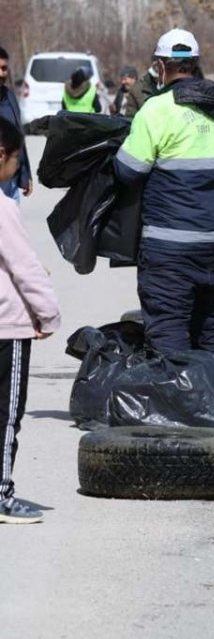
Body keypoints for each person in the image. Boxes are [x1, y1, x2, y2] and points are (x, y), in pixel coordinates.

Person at [115, 29, 214, 373]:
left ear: (160, 66)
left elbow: (128, 171)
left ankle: (176, 396)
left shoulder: (156, 110)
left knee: (168, 328)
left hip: (170, 247)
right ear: (195, 64)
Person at [0, 117, 60, 524]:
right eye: (17, 160)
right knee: (6, 417)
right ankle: (2, 495)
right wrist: (48, 315)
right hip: (8, 328)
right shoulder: (3, 209)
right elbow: (25, 268)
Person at [0, 46, 32, 202]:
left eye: (4, 68)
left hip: (11, 181)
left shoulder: (10, 96)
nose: (1, 73)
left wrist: (25, 174)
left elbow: (18, 136)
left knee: (12, 217)